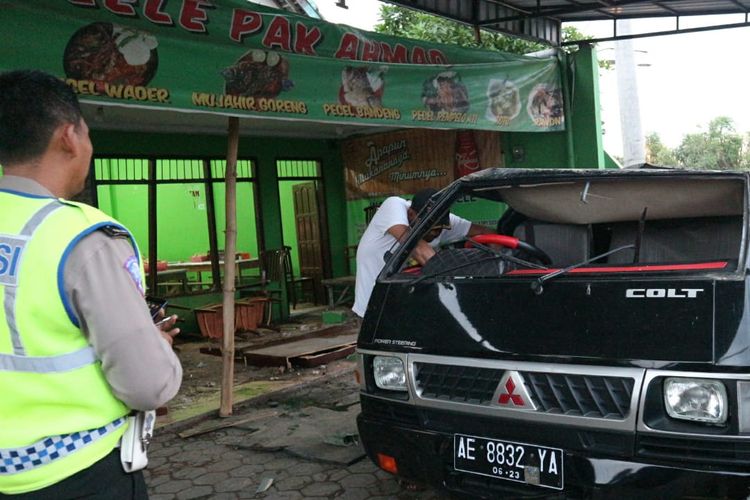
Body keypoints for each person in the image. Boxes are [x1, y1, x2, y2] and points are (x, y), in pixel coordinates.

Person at [0, 70, 182, 499]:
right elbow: (148, 385)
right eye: (87, 132)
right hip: (77, 473)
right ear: (69, 137)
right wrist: (157, 347)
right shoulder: (82, 239)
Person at [352, 187, 493, 318]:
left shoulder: (441, 220)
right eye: (430, 230)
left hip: (409, 305)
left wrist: (496, 262)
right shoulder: (393, 206)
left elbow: (486, 232)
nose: (436, 235)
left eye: (440, 230)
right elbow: (418, 248)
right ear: (411, 215)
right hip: (375, 309)